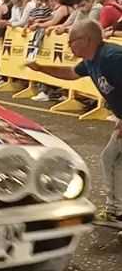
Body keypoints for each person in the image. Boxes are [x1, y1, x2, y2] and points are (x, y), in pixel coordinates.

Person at [30, 19, 122, 223]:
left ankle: (115, 208)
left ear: (86, 40)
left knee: (113, 158)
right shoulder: (91, 60)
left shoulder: (112, 58)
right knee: (111, 158)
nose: (68, 45)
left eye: (71, 41)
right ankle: (115, 209)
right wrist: (40, 68)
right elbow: (70, 73)